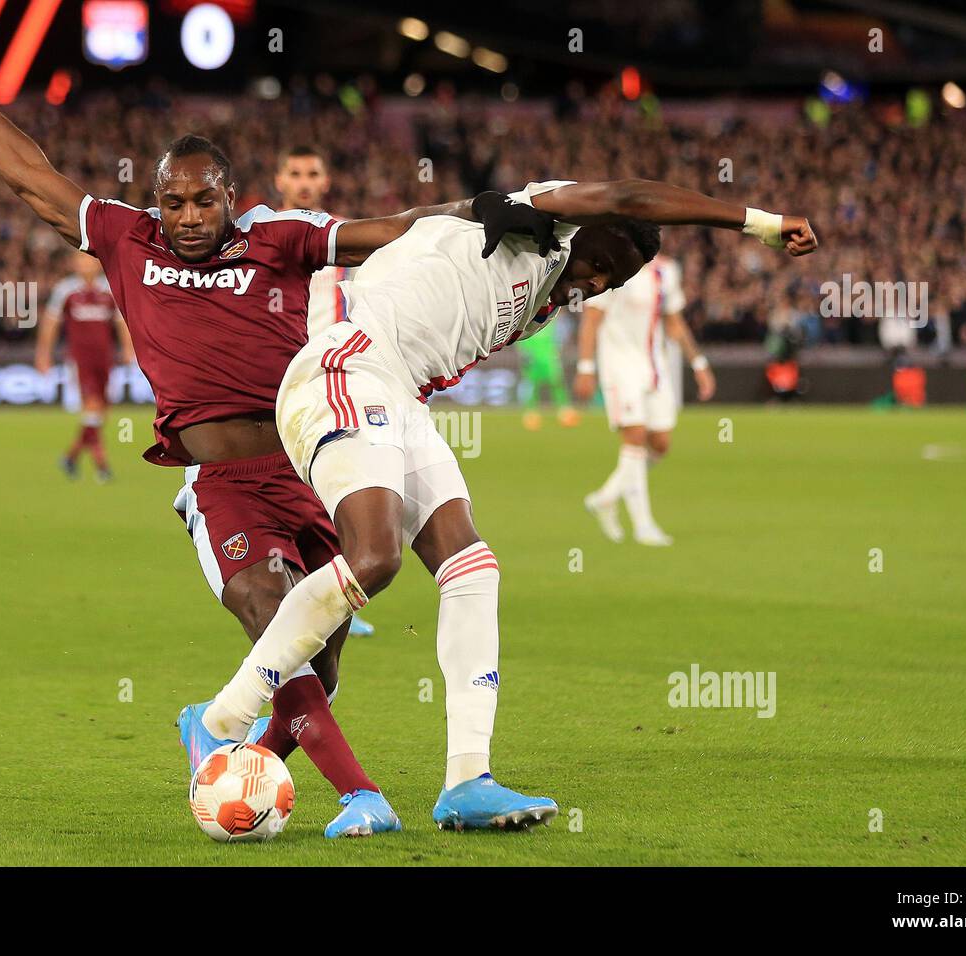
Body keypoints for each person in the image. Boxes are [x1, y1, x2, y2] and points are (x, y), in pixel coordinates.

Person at [0, 10, 553, 838]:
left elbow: (385, 230)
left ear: (230, 193)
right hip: (223, 485)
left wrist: (480, 210)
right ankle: (361, 795)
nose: (187, 216)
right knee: (267, 608)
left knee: (318, 666)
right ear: (154, 203)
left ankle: (216, 735)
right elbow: (30, 177)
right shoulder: (122, 238)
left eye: (203, 200)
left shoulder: (278, 237)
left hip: (314, 465)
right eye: (172, 202)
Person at [188, 179, 817, 830]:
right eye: (600, 264)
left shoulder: (545, 300)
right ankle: (221, 718)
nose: (598, 284)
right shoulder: (540, 228)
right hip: (345, 370)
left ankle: (466, 780)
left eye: (613, 283)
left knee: (472, 568)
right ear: (588, 227)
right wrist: (759, 222)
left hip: (400, 397)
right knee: (374, 556)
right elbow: (628, 196)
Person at [274, 144, 374, 637]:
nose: (304, 181)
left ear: (326, 179)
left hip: (328, 374)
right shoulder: (263, 234)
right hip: (276, 376)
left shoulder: (345, 238)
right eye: (295, 172)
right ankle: (308, 595)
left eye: (312, 172)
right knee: (288, 491)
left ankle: (328, 597)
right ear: (280, 180)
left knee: (329, 485)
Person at [575, 253, 715, 544]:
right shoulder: (612, 266)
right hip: (619, 365)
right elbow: (591, 319)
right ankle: (643, 525)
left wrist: (698, 363)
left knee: (660, 443)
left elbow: (674, 323)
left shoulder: (666, 270)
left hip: (655, 366)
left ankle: (606, 497)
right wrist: (586, 368)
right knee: (635, 436)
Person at [35, 250, 134, 481]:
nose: (86, 264)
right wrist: (43, 354)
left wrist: (128, 349)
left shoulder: (109, 289)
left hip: (106, 359)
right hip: (80, 360)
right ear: (73, 264)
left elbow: (122, 322)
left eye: (90, 259)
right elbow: (50, 324)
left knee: (100, 412)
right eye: (81, 260)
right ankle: (102, 466)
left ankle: (71, 457)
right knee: (92, 406)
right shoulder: (66, 290)